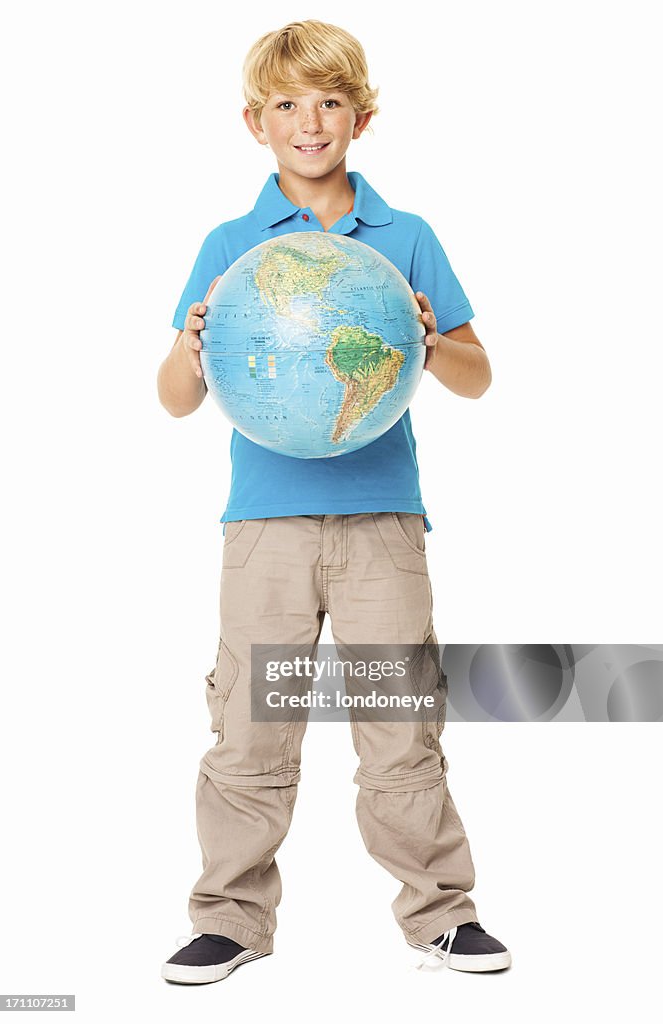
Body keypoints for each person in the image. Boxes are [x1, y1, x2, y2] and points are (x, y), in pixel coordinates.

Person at [157, 19, 511, 984]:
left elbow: (477, 378)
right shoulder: (232, 247)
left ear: (361, 115)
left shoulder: (404, 238)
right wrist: (192, 346)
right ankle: (229, 919)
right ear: (253, 124)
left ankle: (441, 914)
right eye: (285, 105)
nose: (308, 122)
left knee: (399, 723)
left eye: (327, 101)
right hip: (263, 522)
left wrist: (430, 339)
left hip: (381, 521)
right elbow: (175, 399)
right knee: (251, 727)